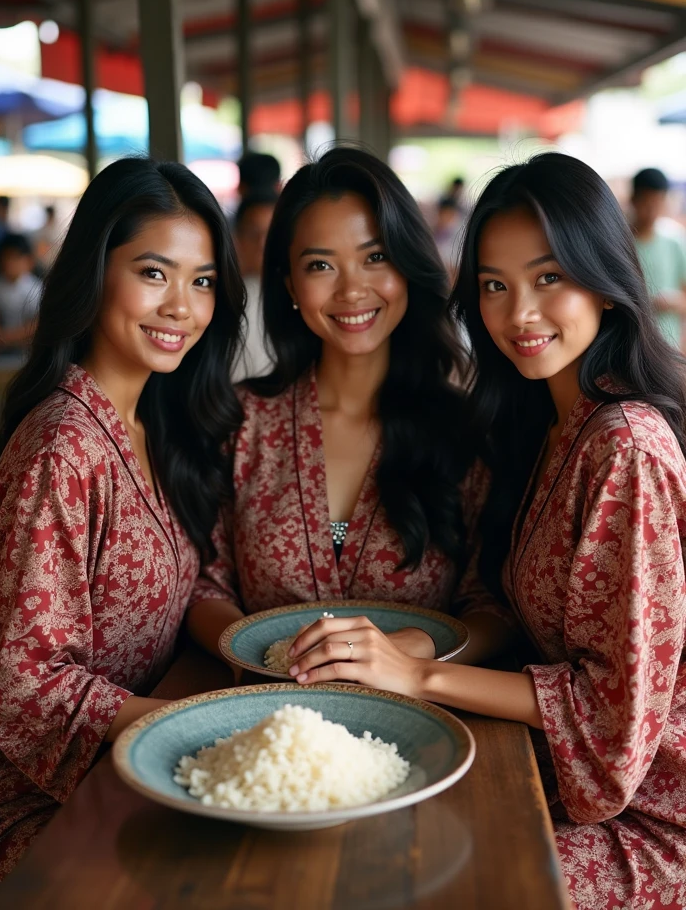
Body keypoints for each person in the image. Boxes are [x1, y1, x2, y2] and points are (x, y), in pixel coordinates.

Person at [285, 153, 686, 910]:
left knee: (419, 884)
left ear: (604, 280)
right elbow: (512, 601)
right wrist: (427, 647)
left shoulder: (625, 446)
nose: (519, 314)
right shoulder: (551, 423)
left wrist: (418, 675)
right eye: (495, 287)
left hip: (652, 821)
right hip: (550, 775)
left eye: (549, 278)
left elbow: (613, 720)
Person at [0, 157, 244, 879]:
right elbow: (26, 683)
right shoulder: (62, 446)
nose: (183, 307)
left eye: (202, 282)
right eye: (154, 273)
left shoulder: (156, 422)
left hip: (147, 757)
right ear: (95, 271)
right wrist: (209, 727)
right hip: (51, 802)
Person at [188, 146, 473, 658]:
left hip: (428, 722)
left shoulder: (465, 429)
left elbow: (492, 605)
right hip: (271, 715)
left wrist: (416, 648)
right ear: (289, 283)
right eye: (321, 264)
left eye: (375, 257)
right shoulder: (240, 421)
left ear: (408, 265)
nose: (352, 289)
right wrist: (261, 656)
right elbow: (207, 586)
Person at [630, 167, 686, 349]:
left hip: (668, 346)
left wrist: (673, 301)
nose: (652, 210)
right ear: (634, 200)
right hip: (630, 343)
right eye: (646, 202)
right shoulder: (620, 243)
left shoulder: (675, 241)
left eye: (658, 202)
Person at [231, 190, 277, 381]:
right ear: (237, 239)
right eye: (254, 234)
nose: (263, 244)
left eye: (272, 233)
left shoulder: (305, 297)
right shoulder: (227, 300)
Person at [0, 234, 42, 366]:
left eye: (16, 257)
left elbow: (36, 324)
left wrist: (7, 337)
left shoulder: (35, 288)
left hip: (26, 352)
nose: (10, 262)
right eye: (7, 257)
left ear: (29, 261)